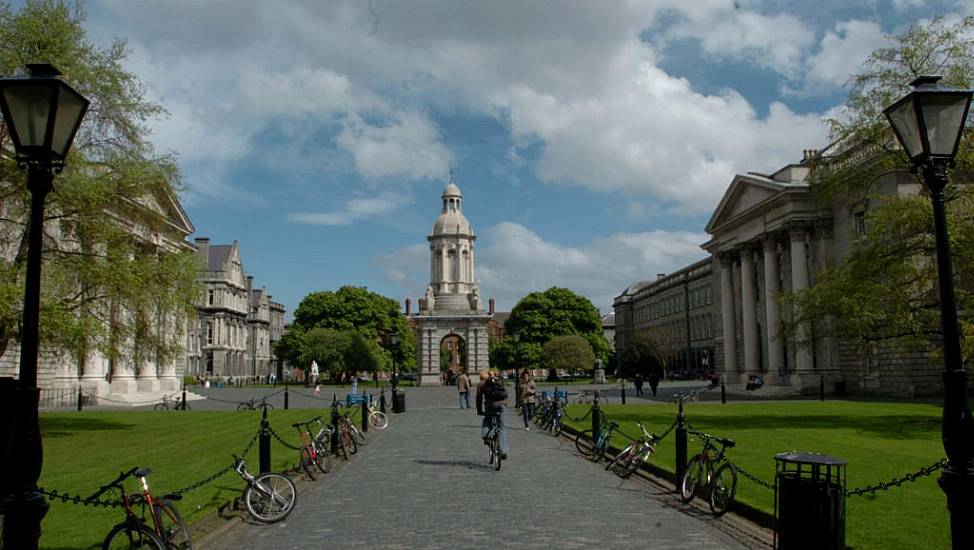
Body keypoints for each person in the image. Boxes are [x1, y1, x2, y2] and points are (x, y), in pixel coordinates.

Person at [476, 370, 508, 459]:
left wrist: (479, 410)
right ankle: (504, 450)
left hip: (490, 406)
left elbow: (479, 398)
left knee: (487, 419)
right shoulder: (499, 381)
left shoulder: (482, 384)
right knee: (502, 428)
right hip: (502, 405)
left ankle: (486, 436)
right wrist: (504, 404)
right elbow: (505, 394)